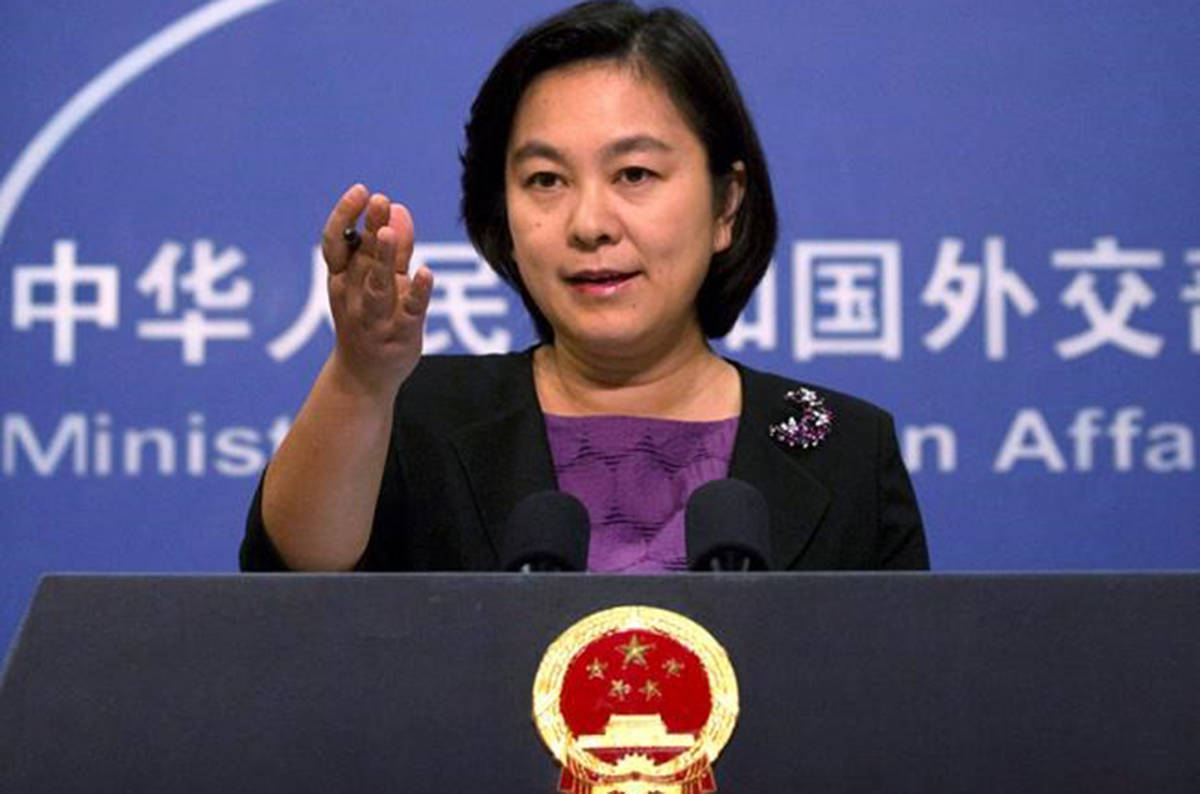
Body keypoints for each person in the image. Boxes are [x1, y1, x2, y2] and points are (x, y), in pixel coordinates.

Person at [240, 0, 928, 573]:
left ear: (726, 203)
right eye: (545, 180)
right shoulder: (414, 416)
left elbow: (896, 706)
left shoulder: (846, 452)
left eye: (634, 174)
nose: (589, 223)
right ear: (502, 216)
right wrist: (361, 379)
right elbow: (293, 585)